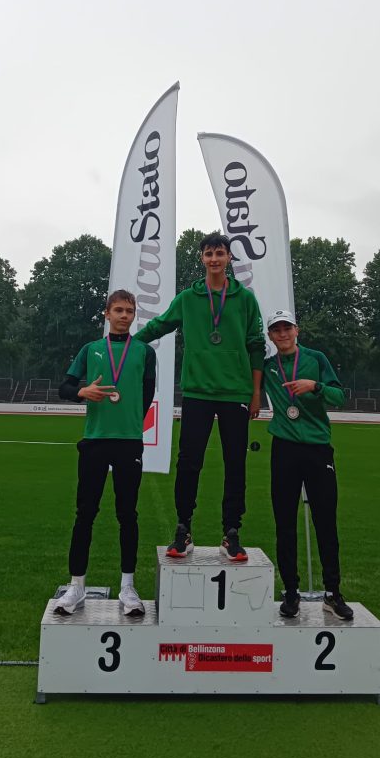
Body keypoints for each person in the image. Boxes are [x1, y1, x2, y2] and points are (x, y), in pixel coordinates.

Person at [135, 232, 265, 561]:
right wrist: (125, 345)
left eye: (220, 253)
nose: (214, 259)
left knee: (235, 464)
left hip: (236, 392)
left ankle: (231, 532)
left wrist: (256, 392)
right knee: (189, 462)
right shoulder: (188, 298)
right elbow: (160, 325)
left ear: (229, 258)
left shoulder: (245, 299)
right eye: (209, 254)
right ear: (202, 258)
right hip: (197, 391)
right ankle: (183, 529)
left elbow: (256, 345)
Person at [54, 289, 156, 617]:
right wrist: (82, 391)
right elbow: (65, 387)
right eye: (119, 310)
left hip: (128, 442)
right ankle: (76, 586)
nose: (124, 316)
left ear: (134, 315)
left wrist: (130, 423)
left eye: (130, 311)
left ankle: (128, 586)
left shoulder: (144, 352)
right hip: (95, 441)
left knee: (127, 515)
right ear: (107, 314)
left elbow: (147, 393)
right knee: (85, 514)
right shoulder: (91, 349)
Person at [263, 310, 353, 621]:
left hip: (317, 449)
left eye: (287, 328)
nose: (283, 334)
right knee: (285, 523)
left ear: (297, 330)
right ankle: (291, 592)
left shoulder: (316, 358)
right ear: (270, 336)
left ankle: (333, 593)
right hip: (284, 449)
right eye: (276, 330)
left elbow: (340, 397)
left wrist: (315, 386)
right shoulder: (267, 366)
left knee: (325, 522)